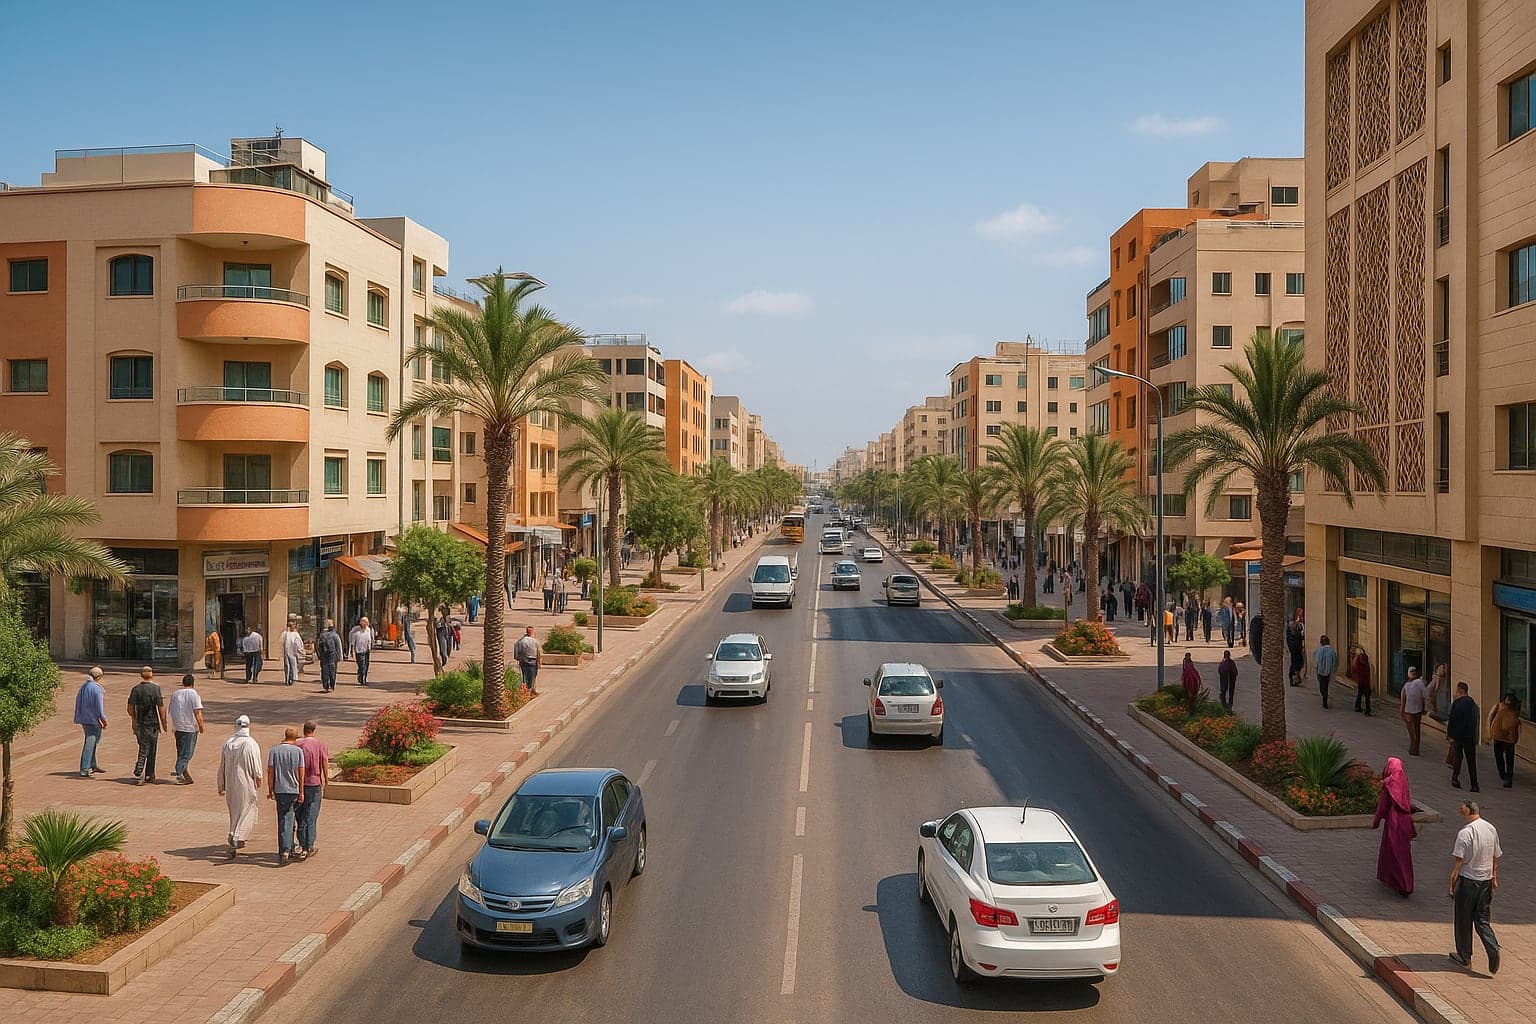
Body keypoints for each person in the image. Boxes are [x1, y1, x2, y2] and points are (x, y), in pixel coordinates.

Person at [1447, 800, 1501, 974]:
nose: (1459, 809)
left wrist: (1452, 882)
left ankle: (1464, 956)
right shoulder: (1490, 828)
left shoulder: (1465, 832)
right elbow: (1495, 856)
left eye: (1462, 807)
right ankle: (1492, 947)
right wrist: (1494, 877)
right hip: (1486, 880)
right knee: (1482, 919)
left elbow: (1458, 861)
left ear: (1469, 810)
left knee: (1463, 918)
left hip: (1468, 881)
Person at [217, 715, 263, 860]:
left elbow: (222, 766)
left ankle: (236, 834)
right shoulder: (250, 744)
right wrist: (259, 777)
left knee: (235, 811)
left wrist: (221, 783)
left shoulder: (228, 743)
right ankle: (236, 836)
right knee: (246, 808)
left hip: (231, 783)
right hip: (246, 782)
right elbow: (256, 764)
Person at [1373, 757, 1416, 897]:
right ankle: (1404, 882)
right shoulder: (1403, 780)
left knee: (1393, 852)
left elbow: (1383, 805)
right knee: (1404, 852)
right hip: (1406, 820)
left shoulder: (1389, 783)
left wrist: (1377, 821)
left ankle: (1402, 883)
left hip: (1394, 821)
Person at [267, 725, 305, 866]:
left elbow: (270, 771)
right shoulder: (298, 752)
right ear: (295, 738)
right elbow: (301, 772)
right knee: (289, 819)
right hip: (293, 789)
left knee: (283, 818)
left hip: (280, 789)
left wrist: (270, 789)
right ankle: (287, 849)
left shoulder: (274, 751)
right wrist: (301, 791)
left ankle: (285, 847)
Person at [126, 666, 167, 786]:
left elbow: (129, 708)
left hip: (140, 723)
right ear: (152, 675)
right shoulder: (156, 689)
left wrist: (134, 717)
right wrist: (164, 722)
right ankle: (146, 773)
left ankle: (143, 772)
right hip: (153, 723)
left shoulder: (136, 689)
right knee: (151, 750)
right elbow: (161, 707)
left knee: (143, 746)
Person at [295, 720, 329, 859]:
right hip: (314, 783)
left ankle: (302, 844)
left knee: (301, 815)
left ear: (303, 730)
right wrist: (326, 779)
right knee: (312, 815)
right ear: (314, 730)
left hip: (299, 784)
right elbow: (324, 762)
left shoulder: (298, 744)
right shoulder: (320, 744)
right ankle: (309, 845)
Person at [168, 673, 205, 785]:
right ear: (193, 683)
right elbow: (197, 712)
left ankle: (185, 774)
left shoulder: (175, 694)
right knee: (187, 753)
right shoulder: (194, 694)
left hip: (178, 726)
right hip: (189, 727)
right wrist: (201, 725)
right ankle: (179, 771)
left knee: (181, 751)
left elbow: (171, 710)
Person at [72, 667, 108, 779]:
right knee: (91, 741)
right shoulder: (96, 688)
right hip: (93, 719)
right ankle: (85, 768)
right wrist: (103, 718)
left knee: (93, 741)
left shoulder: (84, 686)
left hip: (85, 718)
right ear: (99, 676)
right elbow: (99, 706)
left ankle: (93, 764)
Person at [1446, 682, 1480, 792]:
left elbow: (1452, 720)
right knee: (1471, 761)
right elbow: (1476, 721)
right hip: (1469, 736)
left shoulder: (1456, 703)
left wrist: (1450, 735)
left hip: (1458, 736)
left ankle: (1455, 778)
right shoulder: (1473, 704)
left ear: (1460, 690)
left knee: (1458, 758)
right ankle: (1474, 784)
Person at [1489, 694, 1522, 788]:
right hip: (1508, 738)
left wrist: (1492, 733)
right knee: (1509, 759)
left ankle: (1504, 774)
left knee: (1499, 756)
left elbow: (1495, 720)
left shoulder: (1502, 708)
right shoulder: (1513, 712)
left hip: (1500, 737)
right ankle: (1507, 777)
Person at [1400, 666, 1429, 756]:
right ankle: (1416, 748)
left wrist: (1402, 711)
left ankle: (1413, 747)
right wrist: (1423, 708)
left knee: (1411, 730)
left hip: (1409, 711)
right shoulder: (1420, 683)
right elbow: (1424, 697)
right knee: (1417, 729)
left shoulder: (1406, 685)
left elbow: (1403, 699)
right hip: (1418, 710)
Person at [514, 625, 542, 697]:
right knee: (532, 676)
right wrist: (539, 663)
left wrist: (519, 659)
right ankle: (531, 691)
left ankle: (525, 691)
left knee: (524, 676)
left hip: (523, 661)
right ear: (532, 632)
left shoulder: (519, 641)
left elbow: (516, 655)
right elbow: (539, 652)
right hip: (533, 660)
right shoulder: (535, 641)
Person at [316, 620, 342, 693]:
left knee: (324, 670)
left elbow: (318, 646)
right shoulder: (335, 635)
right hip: (332, 655)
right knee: (332, 670)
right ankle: (332, 685)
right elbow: (338, 647)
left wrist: (319, 655)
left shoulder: (322, 635)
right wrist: (339, 656)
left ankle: (325, 684)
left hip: (324, 656)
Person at [349, 616, 377, 686]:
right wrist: (351, 651)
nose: (365, 625)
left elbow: (371, 639)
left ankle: (363, 678)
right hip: (359, 650)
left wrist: (371, 646)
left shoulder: (369, 630)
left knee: (366, 665)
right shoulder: (356, 631)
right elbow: (352, 642)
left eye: (366, 624)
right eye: (364, 623)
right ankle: (361, 677)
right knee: (361, 665)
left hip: (367, 650)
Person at [1313, 634, 1338, 709]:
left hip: (1320, 671)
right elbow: (1335, 661)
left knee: (1321, 685)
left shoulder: (1319, 650)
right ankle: (1325, 697)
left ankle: (1324, 696)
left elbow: (1315, 660)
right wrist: (1333, 669)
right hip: (1328, 672)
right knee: (1325, 685)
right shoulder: (1332, 651)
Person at [1350, 649, 1374, 715]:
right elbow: (1369, 671)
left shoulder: (1357, 660)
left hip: (1360, 680)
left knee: (1359, 693)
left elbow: (1354, 670)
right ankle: (1367, 709)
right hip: (1366, 680)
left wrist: (1355, 678)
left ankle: (1357, 707)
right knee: (1367, 696)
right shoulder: (1366, 660)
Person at [281, 621, 305, 687]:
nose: (291, 627)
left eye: (292, 625)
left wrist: (300, 651)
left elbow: (299, 644)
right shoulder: (285, 634)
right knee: (287, 666)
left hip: (293, 653)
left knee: (293, 665)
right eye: (290, 625)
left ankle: (291, 679)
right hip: (286, 652)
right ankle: (287, 679)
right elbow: (282, 643)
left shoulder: (296, 634)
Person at [1286, 610, 1305, 686]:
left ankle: (1296, 677)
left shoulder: (1299, 625)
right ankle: (1293, 679)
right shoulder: (1292, 626)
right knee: (1295, 663)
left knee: (1299, 662)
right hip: (1294, 648)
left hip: (1297, 648)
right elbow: (1291, 638)